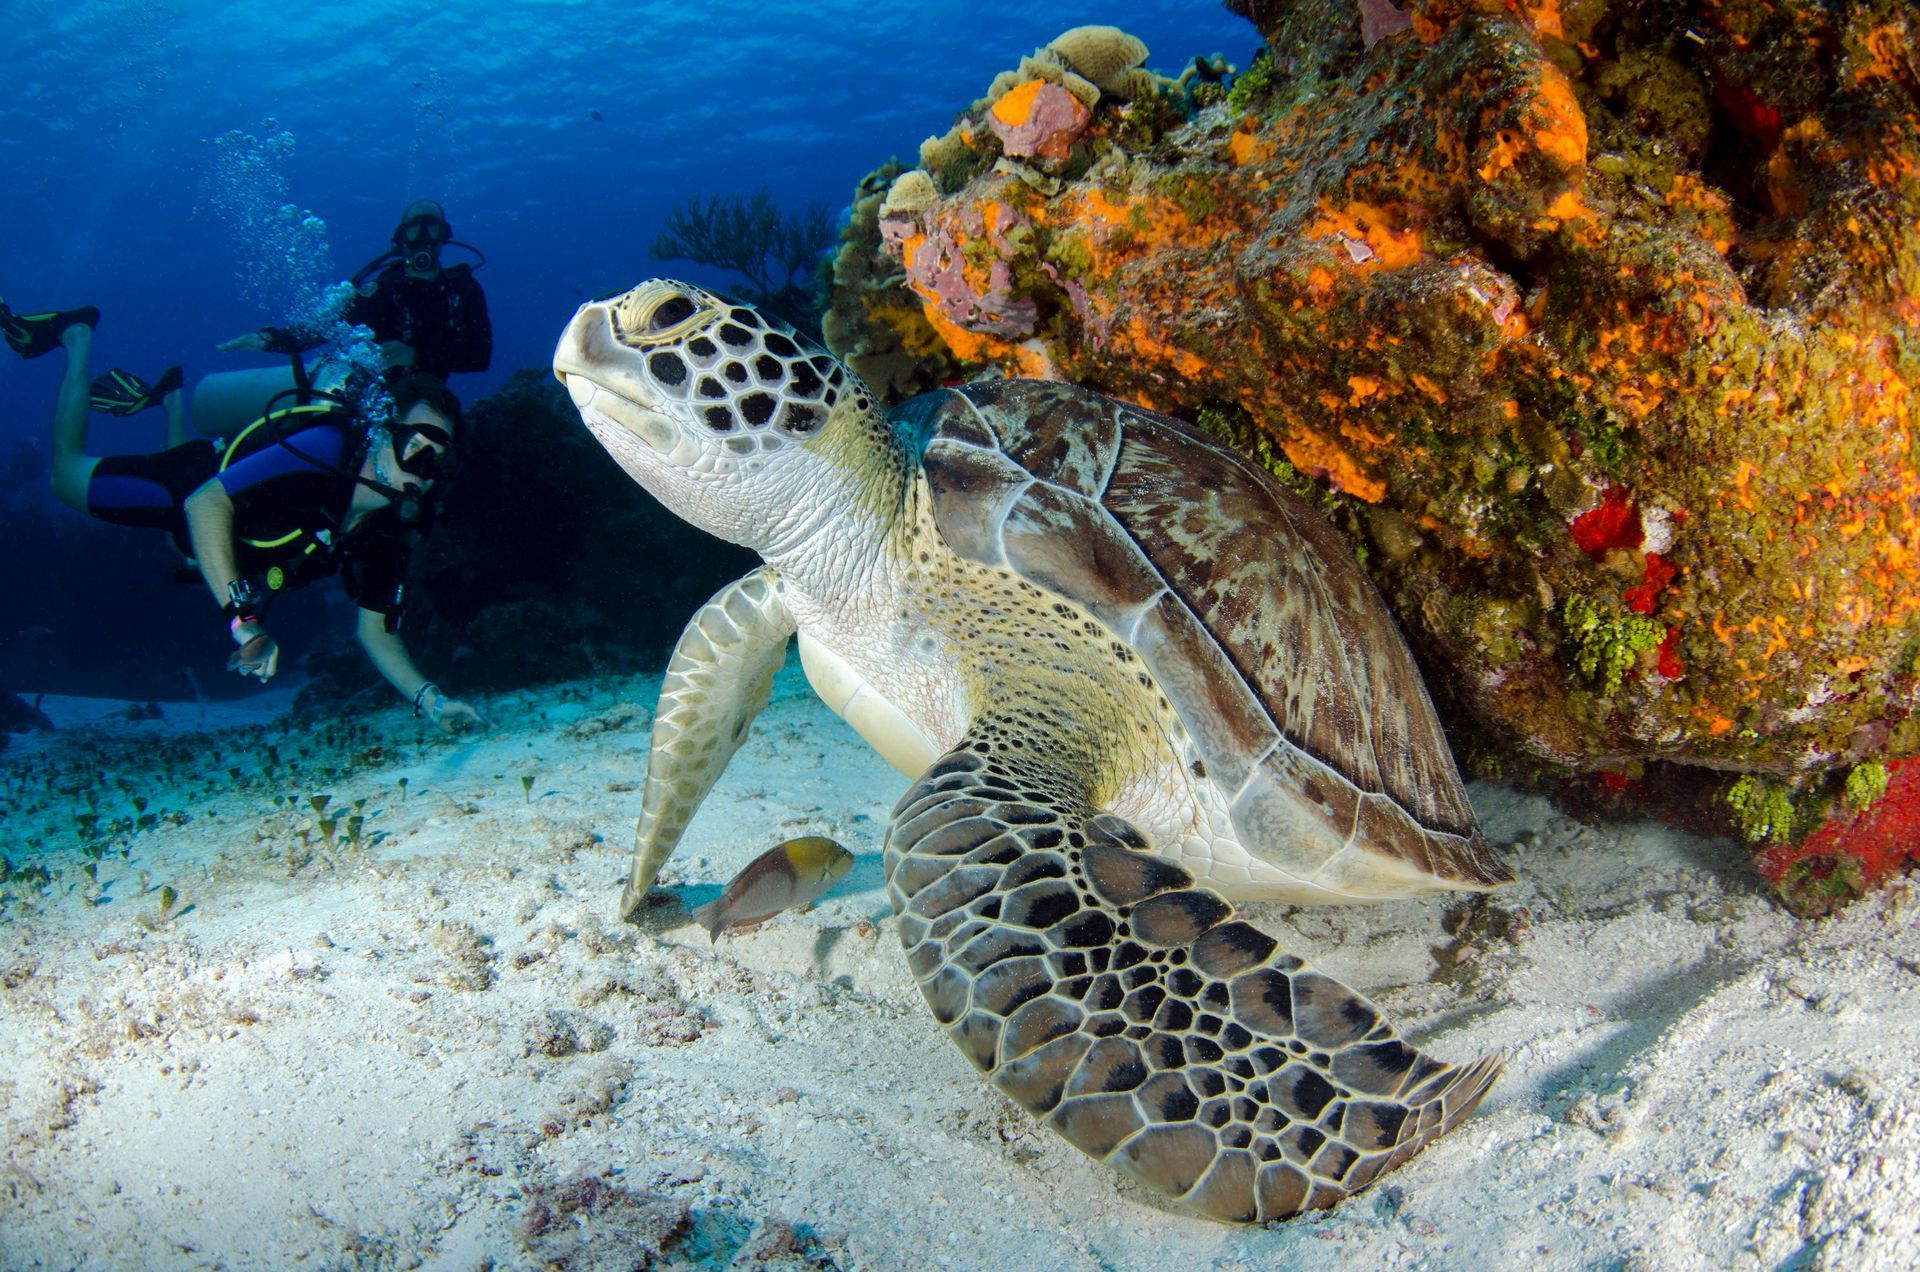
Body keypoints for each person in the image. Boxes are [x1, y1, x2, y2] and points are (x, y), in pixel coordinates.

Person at [0, 301, 483, 732]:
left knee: (185, 551)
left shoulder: (390, 528)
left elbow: (375, 629)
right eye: (415, 448)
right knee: (64, 478)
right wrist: (244, 622)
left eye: (439, 461)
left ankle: (169, 399)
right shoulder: (322, 446)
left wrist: (433, 702)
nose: (425, 472)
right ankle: (77, 337)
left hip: (232, 538)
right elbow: (204, 504)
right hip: (191, 484)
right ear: (381, 433)